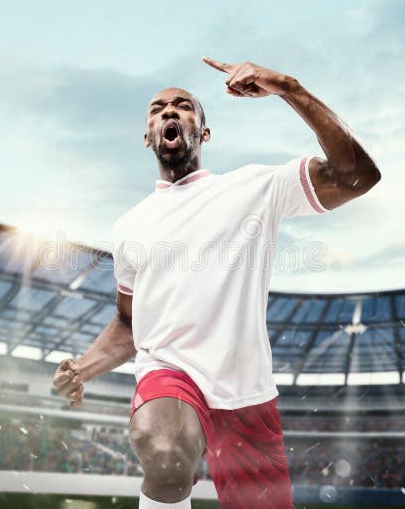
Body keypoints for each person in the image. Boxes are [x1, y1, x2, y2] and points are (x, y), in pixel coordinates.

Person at [52, 57, 381, 508]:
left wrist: (289, 88)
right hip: (170, 373)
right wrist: (82, 368)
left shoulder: (254, 187)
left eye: (183, 106)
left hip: (246, 394)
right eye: (158, 108)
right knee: (165, 455)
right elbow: (130, 325)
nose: (169, 111)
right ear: (147, 136)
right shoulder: (129, 227)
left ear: (203, 132)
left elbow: (358, 176)